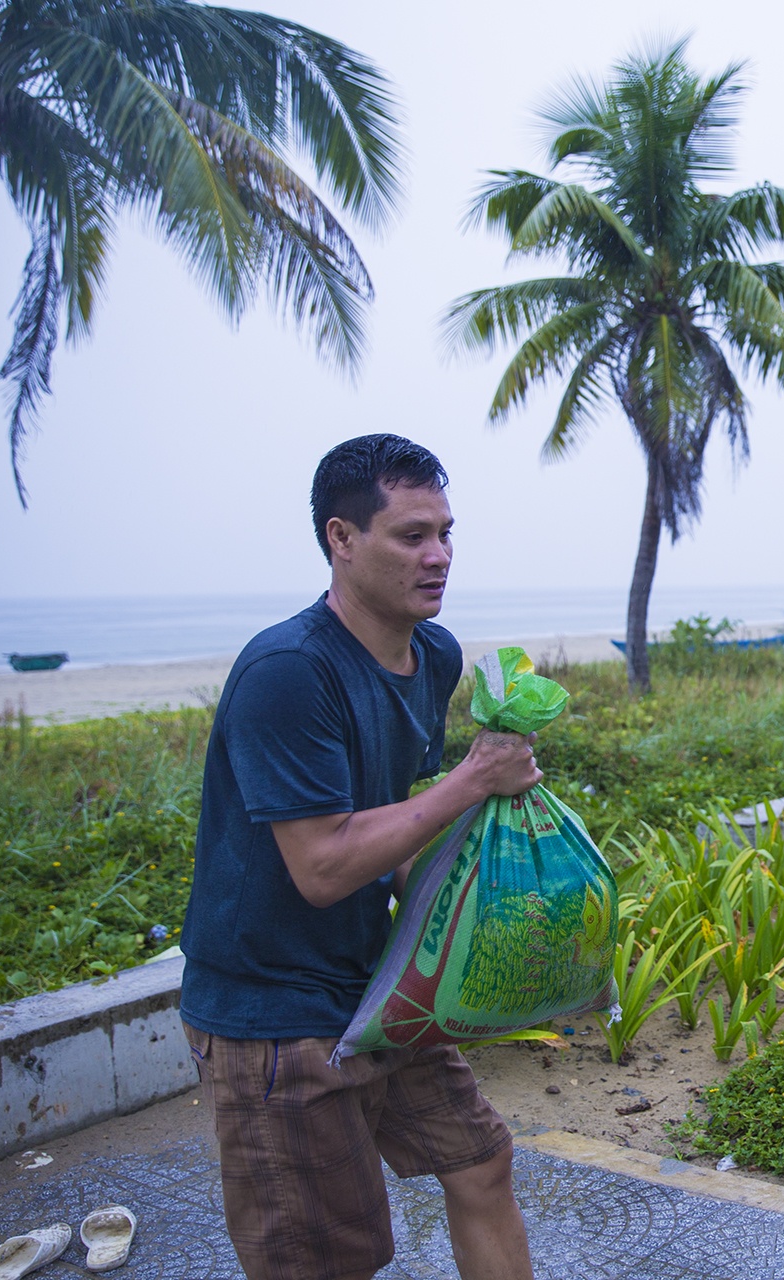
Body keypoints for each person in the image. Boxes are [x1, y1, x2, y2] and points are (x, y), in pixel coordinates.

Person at [178, 434, 540, 1280]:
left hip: (377, 982)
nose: (439, 556)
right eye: (411, 536)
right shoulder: (290, 671)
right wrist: (476, 779)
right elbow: (325, 866)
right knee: (330, 1255)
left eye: (446, 533)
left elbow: (404, 824)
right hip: (274, 1010)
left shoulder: (434, 654)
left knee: (480, 1160)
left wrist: (487, 940)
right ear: (341, 539)